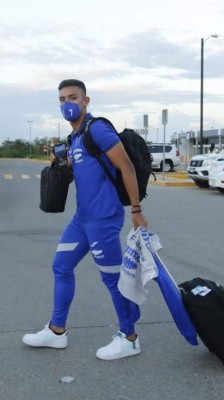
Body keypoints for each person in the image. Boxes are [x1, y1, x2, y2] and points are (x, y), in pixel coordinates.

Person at [23, 79, 148, 360]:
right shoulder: (75, 138)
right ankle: (57, 332)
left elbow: (126, 166)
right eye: (62, 99)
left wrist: (137, 211)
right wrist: (62, 165)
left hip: (103, 218)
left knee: (112, 279)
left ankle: (129, 337)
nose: (67, 103)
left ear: (85, 101)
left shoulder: (97, 129)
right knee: (61, 266)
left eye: (73, 97)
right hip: (82, 220)